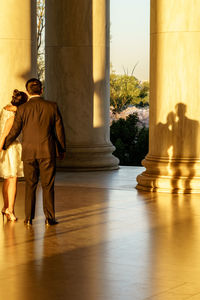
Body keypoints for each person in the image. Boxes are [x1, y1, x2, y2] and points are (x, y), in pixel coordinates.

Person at [3, 78, 66, 226]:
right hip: (47, 152)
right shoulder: (52, 106)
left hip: (29, 152)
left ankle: (29, 218)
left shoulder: (22, 109)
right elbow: (59, 131)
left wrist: (4, 144)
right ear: (42, 90)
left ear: (28, 92)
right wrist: (62, 149)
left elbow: (14, 131)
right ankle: (50, 218)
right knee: (48, 186)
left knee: (30, 185)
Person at [0, 89, 28, 221]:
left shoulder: (5, 108)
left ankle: (6, 207)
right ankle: (10, 210)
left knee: (7, 179)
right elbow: (5, 133)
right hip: (10, 148)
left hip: (7, 147)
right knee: (13, 179)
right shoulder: (13, 114)